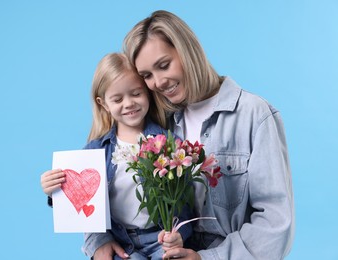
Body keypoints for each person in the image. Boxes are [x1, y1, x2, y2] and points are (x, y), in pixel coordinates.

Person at [95, 10, 295, 259]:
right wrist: (97, 238)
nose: (158, 82)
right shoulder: (156, 122)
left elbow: (275, 225)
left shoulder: (254, 115)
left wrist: (206, 258)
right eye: (146, 75)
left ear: (187, 50)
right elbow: (107, 178)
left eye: (164, 65)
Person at [40, 53, 193, 260]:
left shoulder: (168, 143)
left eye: (136, 94)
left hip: (160, 239)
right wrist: (53, 191)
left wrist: (178, 235)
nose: (129, 103)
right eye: (118, 99)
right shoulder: (95, 152)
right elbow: (79, 199)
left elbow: (184, 200)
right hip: (121, 243)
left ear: (147, 93)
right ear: (103, 104)